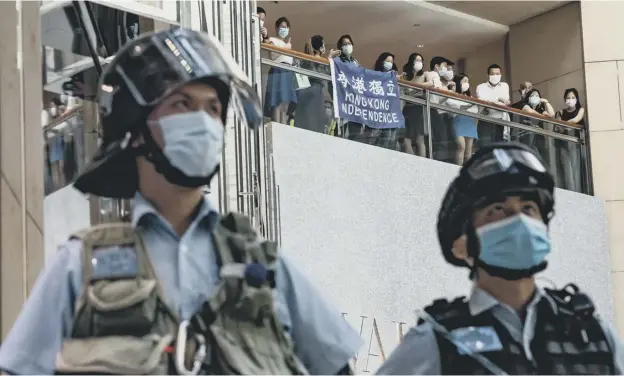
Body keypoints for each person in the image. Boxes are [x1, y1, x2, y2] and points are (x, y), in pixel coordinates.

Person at [0, 28, 362, 375]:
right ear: (137, 128)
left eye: (214, 109)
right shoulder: (80, 268)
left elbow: (336, 366)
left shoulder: (265, 268)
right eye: (182, 104)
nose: (204, 121)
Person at [377, 142, 624, 375]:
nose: (518, 220)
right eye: (497, 210)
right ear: (463, 245)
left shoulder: (594, 336)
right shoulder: (436, 340)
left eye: (528, 208)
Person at [294, 35, 334, 133]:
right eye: (323, 45)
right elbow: (324, 73)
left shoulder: (306, 60)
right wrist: (329, 59)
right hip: (315, 92)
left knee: (306, 120)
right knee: (314, 122)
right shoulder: (317, 60)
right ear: (320, 48)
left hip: (306, 93)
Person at [264, 16, 297, 124]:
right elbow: (273, 55)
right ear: (277, 28)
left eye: (287, 27)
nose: (285, 29)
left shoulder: (286, 44)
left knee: (286, 102)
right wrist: (285, 49)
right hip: (278, 71)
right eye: (282, 26)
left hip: (288, 72)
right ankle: (276, 124)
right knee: (277, 101)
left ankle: (283, 125)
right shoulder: (272, 40)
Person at [447, 73, 478, 165]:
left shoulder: (470, 97)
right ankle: (457, 169)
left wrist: (464, 107)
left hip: (469, 122)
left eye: (467, 81)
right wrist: (467, 106)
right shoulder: (452, 94)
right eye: (464, 81)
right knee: (461, 146)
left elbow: (475, 109)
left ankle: (466, 172)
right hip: (458, 121)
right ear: (457, 82)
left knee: (469, 149)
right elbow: (451, 104)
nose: (466, 83)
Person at [476, 64, 511, 146]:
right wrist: (499, 99)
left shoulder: (505, 86)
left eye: (497, 73)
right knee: (484, 147)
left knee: (500, 148)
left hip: (501, 121)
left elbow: (505, 103)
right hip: (486, 120)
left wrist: (491, 101)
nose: (495, 76)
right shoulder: (481, 87)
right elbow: (482, 101)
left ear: (501, 75)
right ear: (488, 75)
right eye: (492, 73)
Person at [401, 53, 428, 156]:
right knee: (406, 138)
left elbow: (430, 84)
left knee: (419, 139)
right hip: (407, 107)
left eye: (421, 60)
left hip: (419, 107)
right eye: (417, 60)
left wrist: (416, 86)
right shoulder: (406, 76)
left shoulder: (424, 74)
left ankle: (422, 163)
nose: (419, 62)